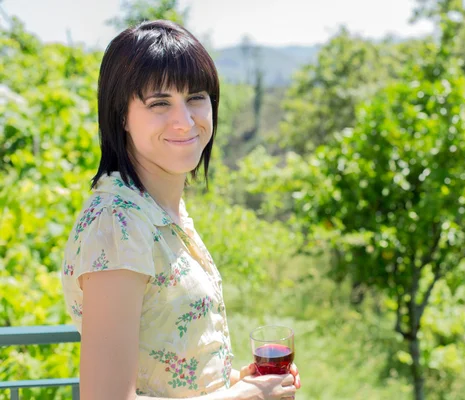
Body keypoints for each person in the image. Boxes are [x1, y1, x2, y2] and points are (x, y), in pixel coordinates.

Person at [61, 20, 300, 400]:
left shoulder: (158, 211)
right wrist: (245, 397)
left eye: (195, 98)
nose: (185, 121)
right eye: (159, 103)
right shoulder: (118, 224)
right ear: (121, 114)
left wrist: (240, 383)